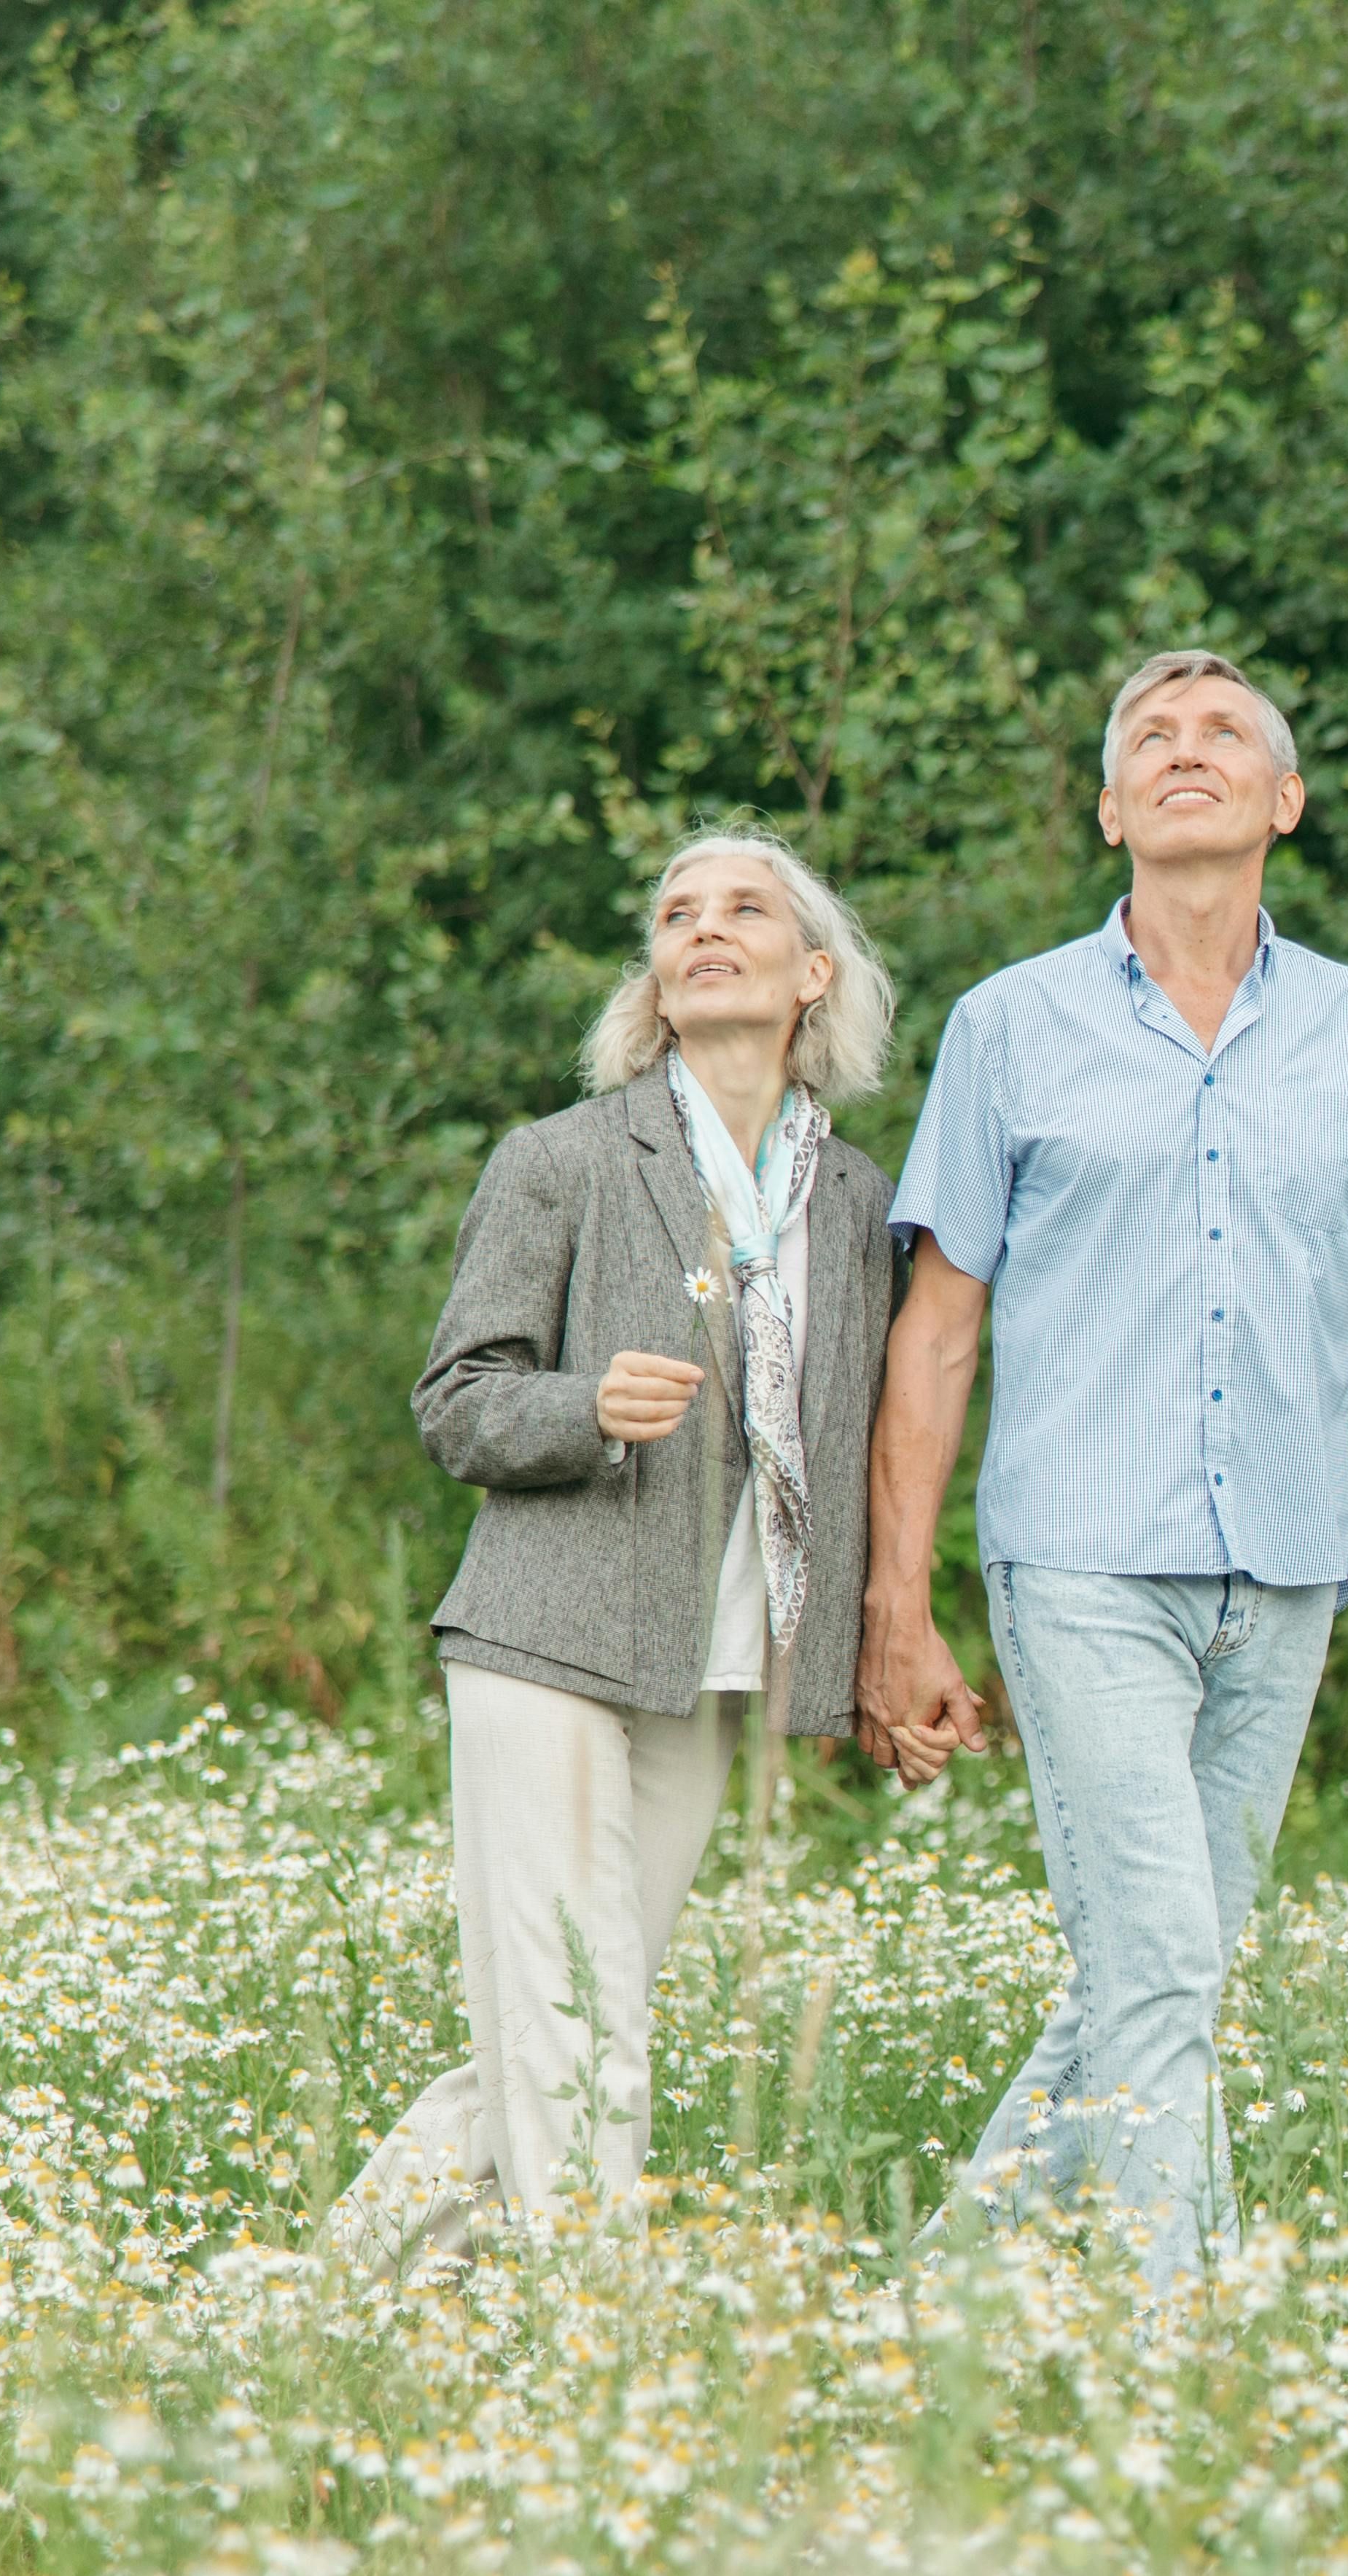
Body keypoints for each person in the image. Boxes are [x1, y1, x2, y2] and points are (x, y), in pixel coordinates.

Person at [862, 647, 1348, 2280]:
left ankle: (929, 2308)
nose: (1186, 749)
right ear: (1109, 809)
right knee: (1158, 1963)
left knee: (1163, 1970)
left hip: (1289, 1569)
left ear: (1285, 802)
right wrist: (898, 1601)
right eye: (1152, 735)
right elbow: (934, 1332)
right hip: (1079, 1559)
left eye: (1226, 733)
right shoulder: (1010, 1026)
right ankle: (1186, 2359)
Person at [335, 830, 906, 2262]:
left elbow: (862, 1448)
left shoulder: (857, 1203)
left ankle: (325, 2301)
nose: (704, 928)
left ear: (813, 974)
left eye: (744, 909)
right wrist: (586, 1406)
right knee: (579, 2024)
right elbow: (456, 1401)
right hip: (544, 1640)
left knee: (569, 2027)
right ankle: (592, 2342)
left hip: (707, 1674)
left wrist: (882, 1650)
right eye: (676, 913)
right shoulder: (565, 1160)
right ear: (657, 979)